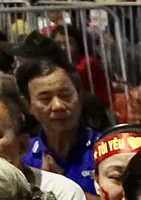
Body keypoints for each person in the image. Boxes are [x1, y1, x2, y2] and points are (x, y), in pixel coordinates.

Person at [17, 59, 100, 190]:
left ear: (80, 96)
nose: (58, 106)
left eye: (65, 95)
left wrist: (61, 187)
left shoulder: (105, 149)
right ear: (28, 105)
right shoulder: (21, 155)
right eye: (45, 99)